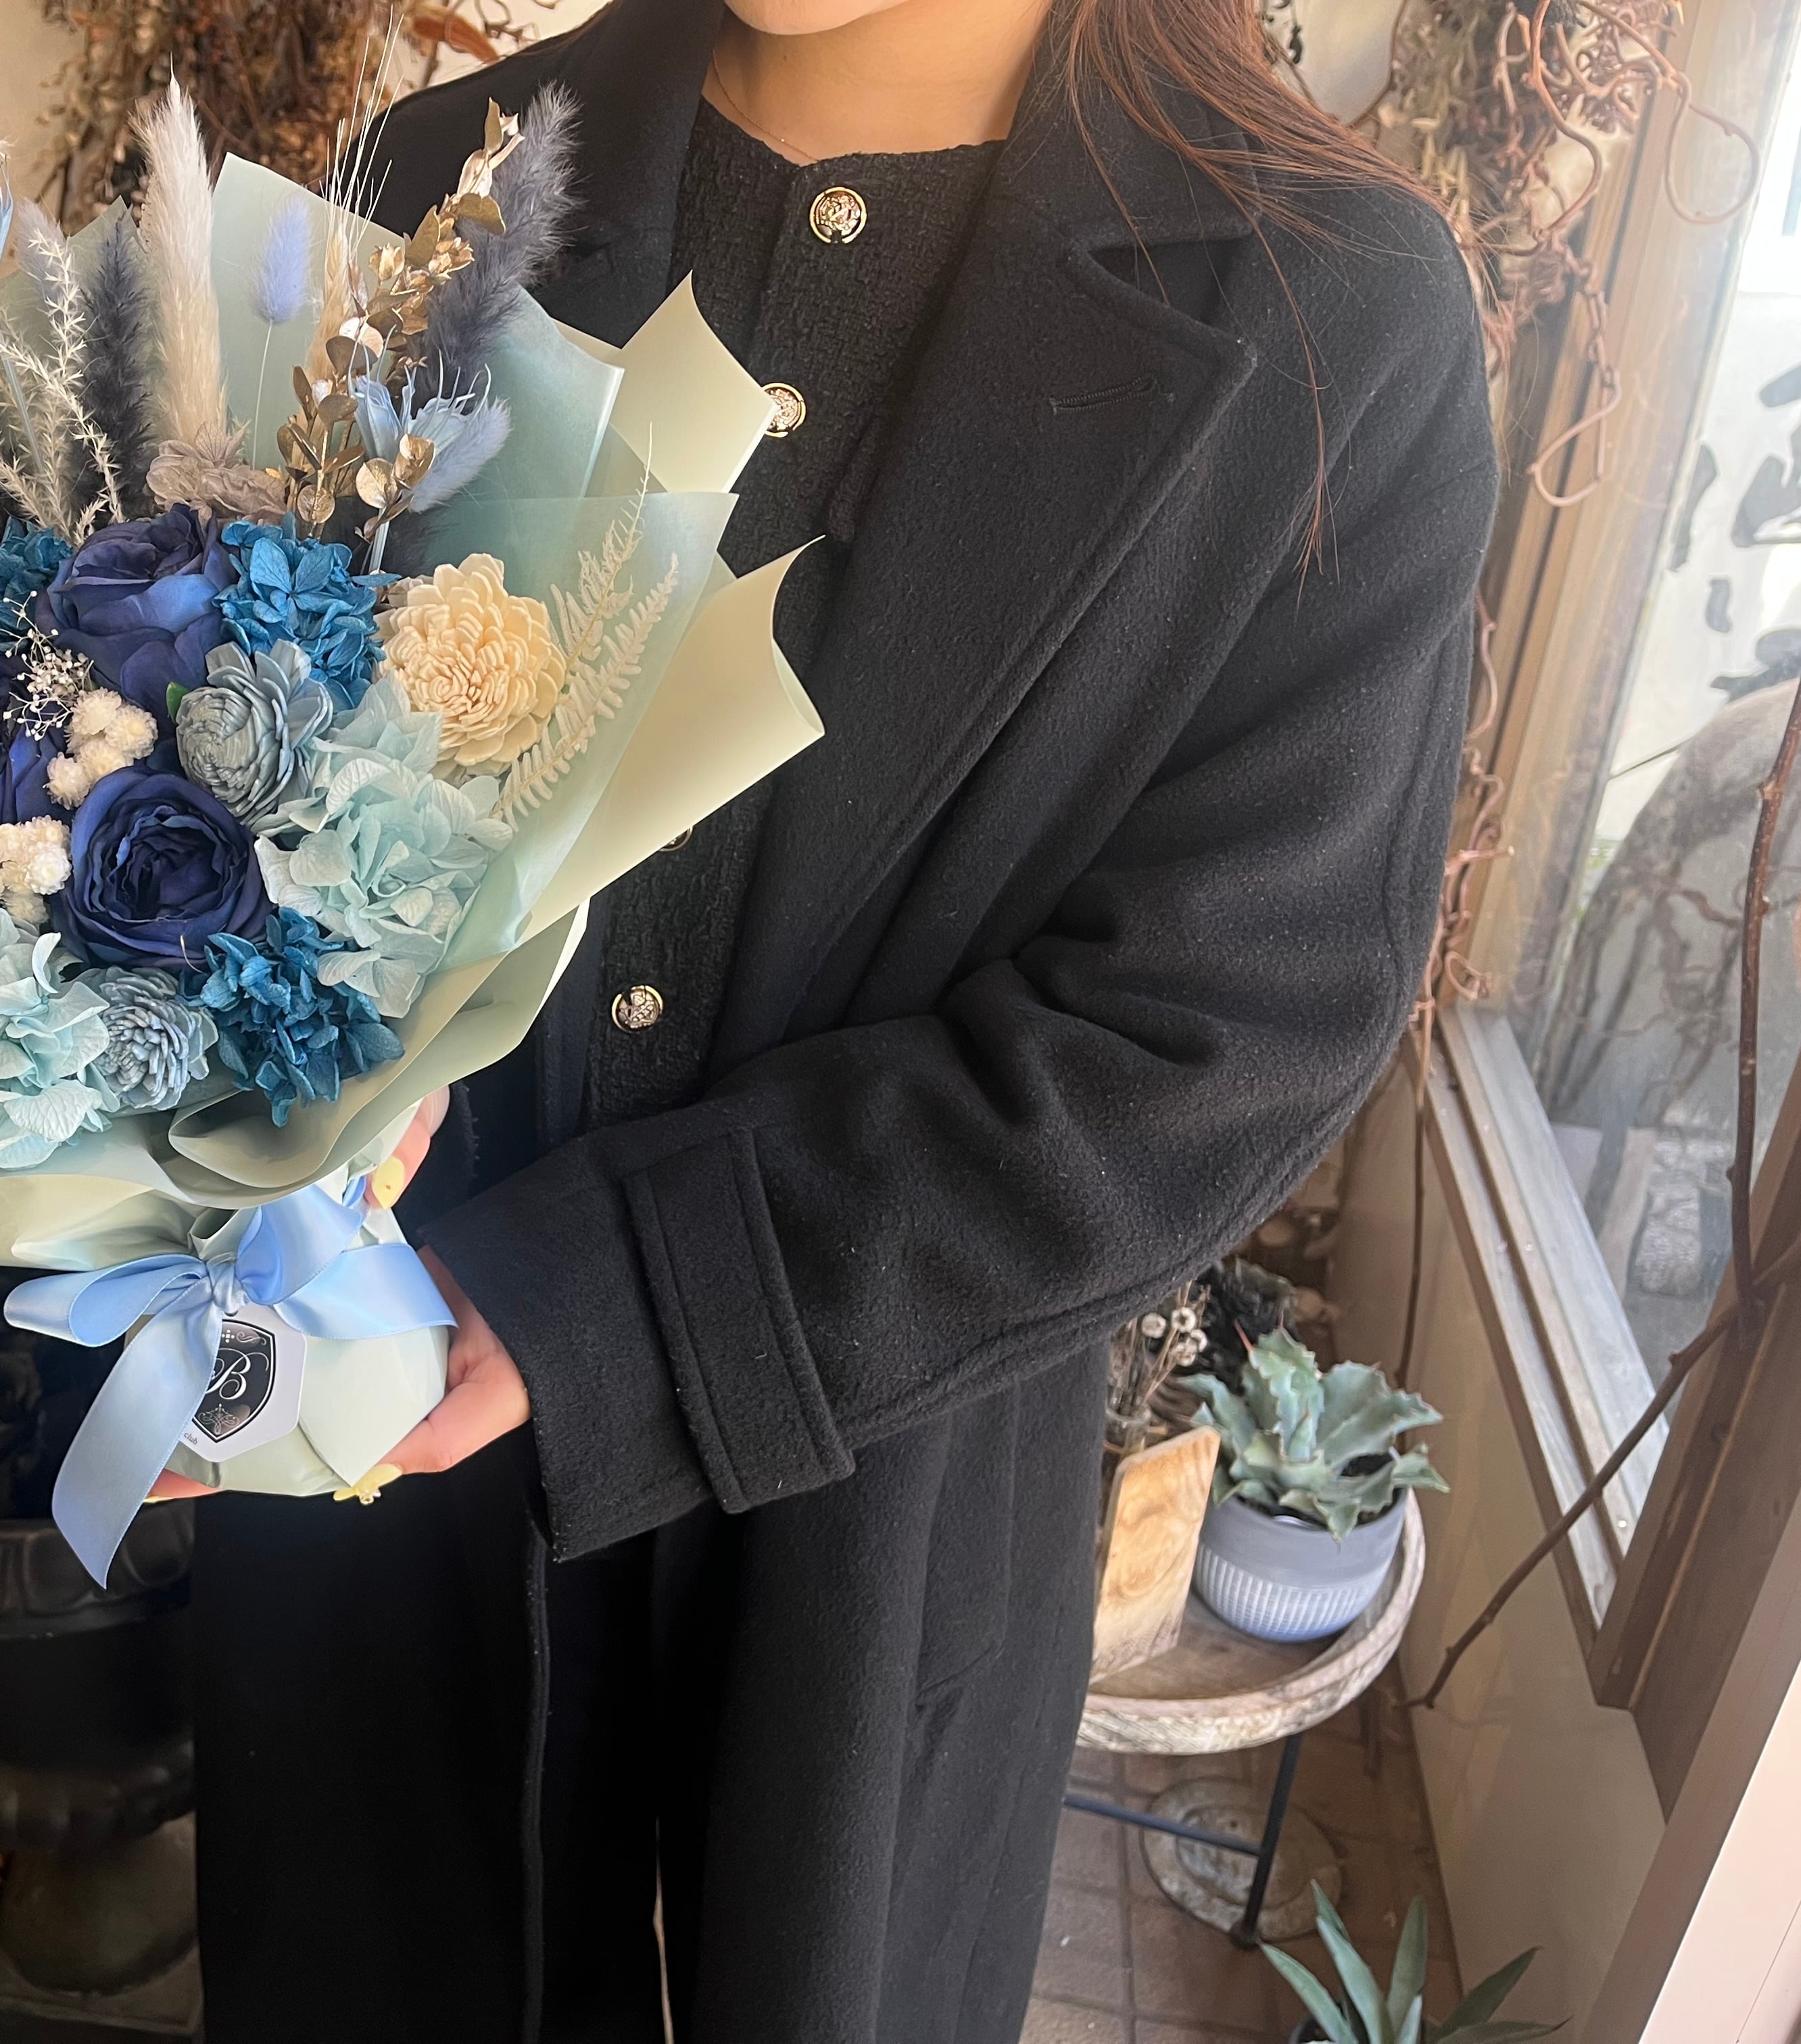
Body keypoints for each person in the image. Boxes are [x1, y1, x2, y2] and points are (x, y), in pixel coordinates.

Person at [172, 0, 1497, 2034]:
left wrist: (628, 1300)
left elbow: (1231, 1023)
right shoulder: (438, 180)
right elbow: (212, 767)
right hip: (371, 1471)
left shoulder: (1335, 319)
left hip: (881, 1519)